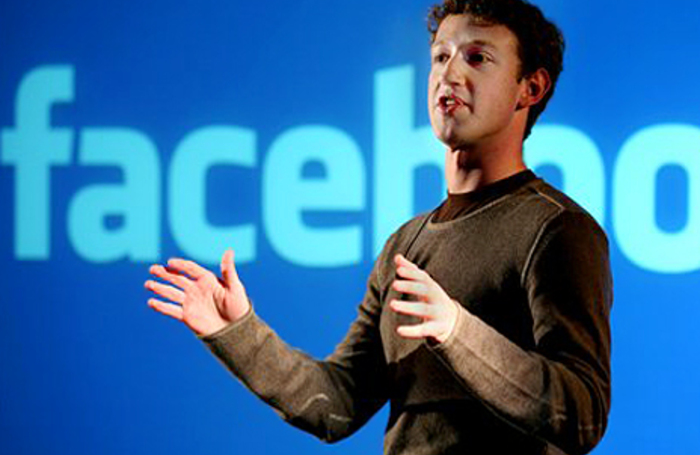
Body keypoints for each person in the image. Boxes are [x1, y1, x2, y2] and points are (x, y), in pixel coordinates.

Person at [145, 0, 612, 453]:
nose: (449, 74)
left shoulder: (557, 229)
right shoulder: (405, 244)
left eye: (477, 58)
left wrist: (457, 331)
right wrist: (238, 330)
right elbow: (337, 406)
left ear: (530, 88)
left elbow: (582, 416)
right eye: (441, 57)